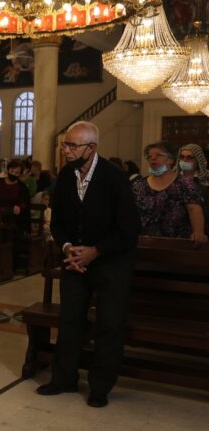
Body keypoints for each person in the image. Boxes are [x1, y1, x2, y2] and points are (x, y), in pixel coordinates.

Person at [39, 121, 140, 408]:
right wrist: (68, 248)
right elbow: (57, 222)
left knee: (110, 323)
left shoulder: (114, 177)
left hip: (111, 261)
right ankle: (64, 378)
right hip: (75, 260)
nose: (67, 150)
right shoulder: (66, 176)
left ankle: (100, 386)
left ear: (91, 147)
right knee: (70, 320)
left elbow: (128, 229)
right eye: (65, 145)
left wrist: (95, 251)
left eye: (73, 146)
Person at [132, 141, 206, 246]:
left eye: (159, 155)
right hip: (144, 243)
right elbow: (131, 212)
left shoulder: (185, 184)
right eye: (150, 156)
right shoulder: (139, 185)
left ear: (170, 160)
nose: (153, 158)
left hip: (177, 244)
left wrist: (198, 232)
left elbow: (194, 209)